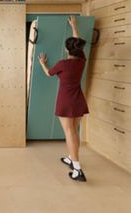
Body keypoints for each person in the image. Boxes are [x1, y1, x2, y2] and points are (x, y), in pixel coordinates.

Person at [38, 15, 88, 182]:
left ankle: (77, 169)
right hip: (79, 100)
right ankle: (71, 159)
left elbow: (47, 73)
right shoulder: (81, 61)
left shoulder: (62, 64)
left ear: (67, 50)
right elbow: (77, 42)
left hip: (66, 102)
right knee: (74, 132)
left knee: (69, 133)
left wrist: (42, 63)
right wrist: (74, 26)